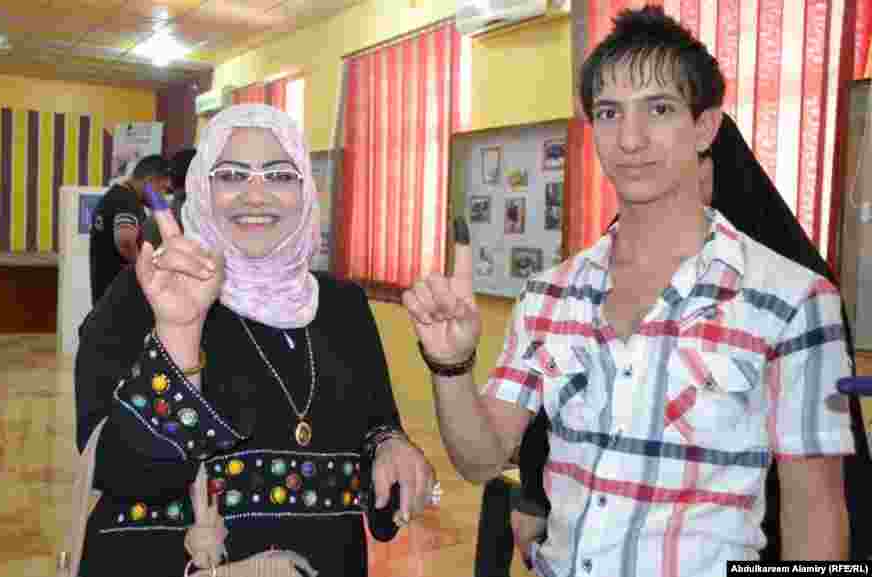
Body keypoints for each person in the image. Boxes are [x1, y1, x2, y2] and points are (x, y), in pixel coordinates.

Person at [405, 6, 855, 576]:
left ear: (706, 126)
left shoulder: (793, 301)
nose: (631, 138)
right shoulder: (550, 294)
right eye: (609, 113)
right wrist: (450, 367)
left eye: (659, 109)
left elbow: (817, 512)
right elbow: (479, 458)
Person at [74, 104, 437, 577]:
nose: (256, 195)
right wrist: (178, 332)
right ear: (202, 188)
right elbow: (115, 467)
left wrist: (390, 448)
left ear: (306, 190)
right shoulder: (143, 293)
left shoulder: (342, 305)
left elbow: (374, 423)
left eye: (280, 176)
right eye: (231, 175)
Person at [511, 112, 872, 566]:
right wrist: (532, 498)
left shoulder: (792, 289)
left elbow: (823, 493)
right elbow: (556, 396)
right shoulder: (603, 270)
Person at [89, 154, 171, 304]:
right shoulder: (127, 200)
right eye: (162, 189)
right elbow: (125, 241)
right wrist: (145, 272)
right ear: (150, 181)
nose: (162, 196)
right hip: (118, 298)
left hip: (106, 295)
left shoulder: (115, 195)